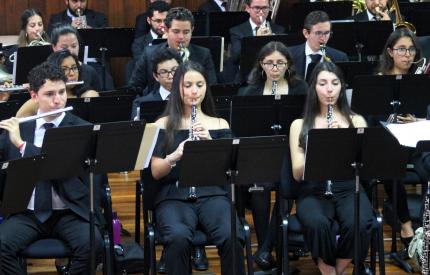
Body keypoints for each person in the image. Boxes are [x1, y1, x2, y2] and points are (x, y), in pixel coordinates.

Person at [0, 62, 103, 275]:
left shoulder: (80, 129)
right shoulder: (19, 130)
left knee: (92, 245)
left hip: (70, 210)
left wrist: (22, 146)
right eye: (49, 94)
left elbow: (53, 164)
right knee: (2, 246)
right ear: (34, 95)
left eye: (62, 92)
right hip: (27, 213)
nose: (58, 100)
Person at [150, 61, 245, 275]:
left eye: (200, 85)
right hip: (173, 195)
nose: (194, 91)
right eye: (188, 85)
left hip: (212, 194)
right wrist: (175, 155)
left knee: (232, 235)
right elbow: (155, 172)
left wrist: (211, 144)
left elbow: (231, 171)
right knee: (177, 238)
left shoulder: (220, 125)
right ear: (178, 88)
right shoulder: (162, 125)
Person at [289, 61, 374, 275]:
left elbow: (365, 167)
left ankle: (338, 267)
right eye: (323, 83)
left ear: (342, 88)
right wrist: (320, 146)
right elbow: (298, 174)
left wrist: (343, 143)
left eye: (335, 83)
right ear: (313, 87)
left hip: (348, 187)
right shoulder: (299, 125)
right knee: (317, 223)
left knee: (360, 222)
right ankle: (325, 266)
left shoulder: (356, 120)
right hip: (313, 189)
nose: (329, 89)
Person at [376, 28, 423, 254]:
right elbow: (370, 118)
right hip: (389, 143)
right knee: (389, 165)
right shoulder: (378, 81)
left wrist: (417, 120)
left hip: (417, 143)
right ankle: (406, 226)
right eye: (402, 49)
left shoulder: (420, 80)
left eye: (411, 49)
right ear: (390, 52)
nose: (408, 54)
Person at [129, 7, 218, 95]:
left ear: (192, 30)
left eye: (186, 32)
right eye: (176, 31)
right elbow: (135, 87)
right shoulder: (149, 53)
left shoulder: (203, 54)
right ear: (167, 30)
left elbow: (211, 88)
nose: (181, 37)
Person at [16, 49, 99, 118]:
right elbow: (18, 123)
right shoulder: (39, 101)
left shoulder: (88, 95)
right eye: (64, 69)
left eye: (74, 68)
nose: (72, 73)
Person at [288, 11, 349, 82]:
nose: (323, 38)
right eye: (318, 33)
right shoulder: (288, 55)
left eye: (326, 33)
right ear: (306, 33)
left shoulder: (340, 58)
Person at [229, 0, 285, 75]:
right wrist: (256, 40)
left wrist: (272, 41)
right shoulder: (237, 31)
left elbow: (284, 57)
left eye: (265, 8)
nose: (261, 12)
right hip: (247, 75)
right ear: (247, 8)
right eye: (257, 8)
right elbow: (236, 58)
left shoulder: (279, 30)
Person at [239, 41, 308, 96]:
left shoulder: (301, 88)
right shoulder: (251, 92)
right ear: (262, 64)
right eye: (269, 63)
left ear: (288, 64)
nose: (275, 69)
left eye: (280, 63)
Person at [131, 47, 181, 119]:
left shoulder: (191, 97)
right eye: (164, 72)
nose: (170, 76)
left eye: (174, 70)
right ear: (156, 76)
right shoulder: (141, 103)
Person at [50, 24, 102, 91]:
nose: (70, 51)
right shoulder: (46, 73)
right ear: (54, 47)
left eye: (74, 46)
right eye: (64, 48)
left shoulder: (90, 72)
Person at [3, 9, 51, 74]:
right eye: (32, 25)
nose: (37, 28)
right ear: (25, 28)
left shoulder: (51, 47)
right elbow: (11, 71)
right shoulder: (15, 51)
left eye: (40, 24)